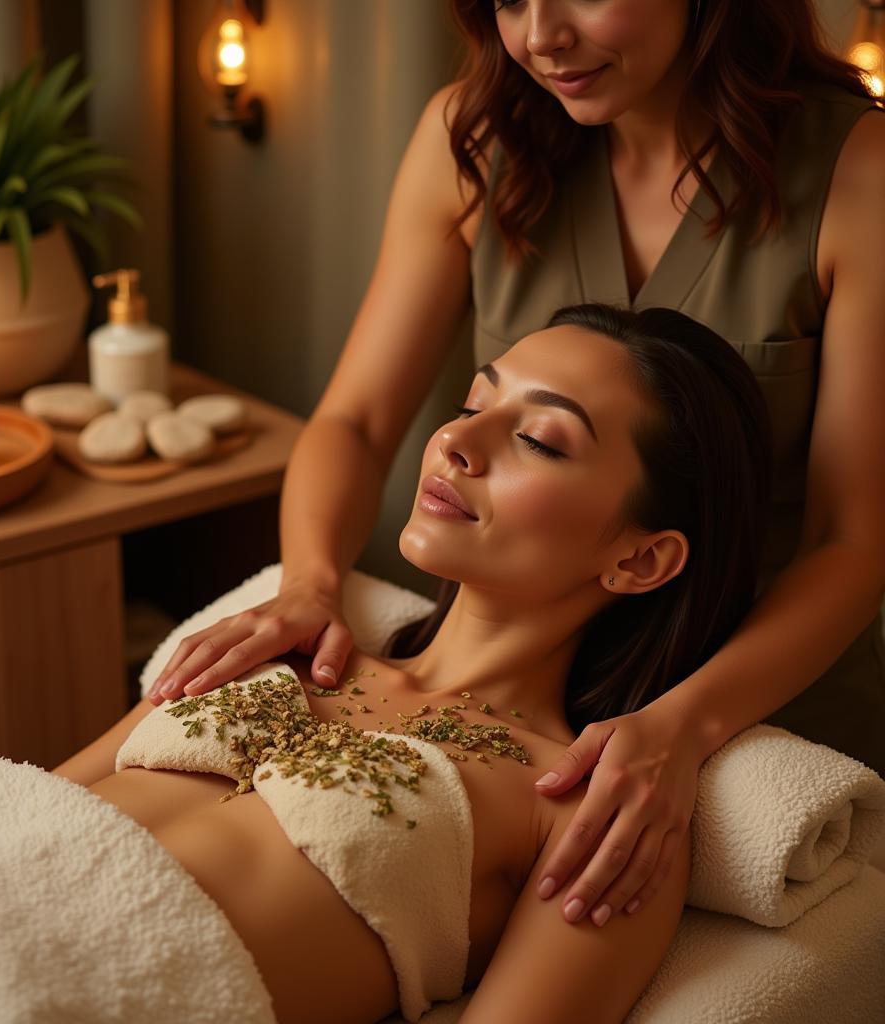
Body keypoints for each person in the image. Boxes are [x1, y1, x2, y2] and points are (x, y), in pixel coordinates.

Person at [146, 0, 885, 935]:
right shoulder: (477, 138)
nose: (540, 37)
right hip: (525, 677)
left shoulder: (858, 173)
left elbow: (853, 540)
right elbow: (358, 420)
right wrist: (311, 583)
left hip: (755, 704)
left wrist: (684, 727)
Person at [54, 304, 773, 1022]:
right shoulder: (276, 648)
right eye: (472, 403)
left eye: (537, 439)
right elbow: (33, 797)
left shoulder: (587, 808)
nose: (456, 439)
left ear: (641, 559)